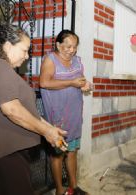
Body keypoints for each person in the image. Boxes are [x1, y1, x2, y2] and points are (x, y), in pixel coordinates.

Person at [0, 20, 68, 195]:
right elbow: (12, 110)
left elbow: (26, 110)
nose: (27, 56)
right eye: (24, 50)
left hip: (5, 151)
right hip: (2, 154)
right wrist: (46, 131)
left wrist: (50, 128)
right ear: (7, 46)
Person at [40, 30, 91, 195]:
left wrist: (84, 85)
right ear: (58, 45)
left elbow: (80, 80)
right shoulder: (50, 59)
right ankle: (60, 191)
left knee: (72, 151)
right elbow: (44, 82)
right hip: (57, 116)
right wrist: (71, 82)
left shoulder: (77, 61)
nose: (71, 50)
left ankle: (73, 188)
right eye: (67, 46)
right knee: (58, 155)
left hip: (74, 115)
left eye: (74, 47)